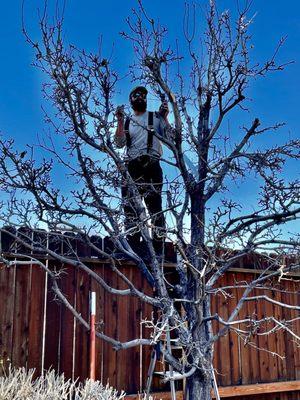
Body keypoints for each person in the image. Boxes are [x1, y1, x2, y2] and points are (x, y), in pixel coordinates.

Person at [115, 86, 169, 255]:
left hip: (152, 165)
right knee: (130, 208)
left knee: (155, 207)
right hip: (133, 167)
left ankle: (158, 249)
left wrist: (165, 118)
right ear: (131, 100)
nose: (140, 98)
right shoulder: (128, 121)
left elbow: (171, 139)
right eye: (136, 95)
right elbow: (119, 143)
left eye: (143, 96)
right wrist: (119, 120)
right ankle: (133, 247)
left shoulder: (155, 117)